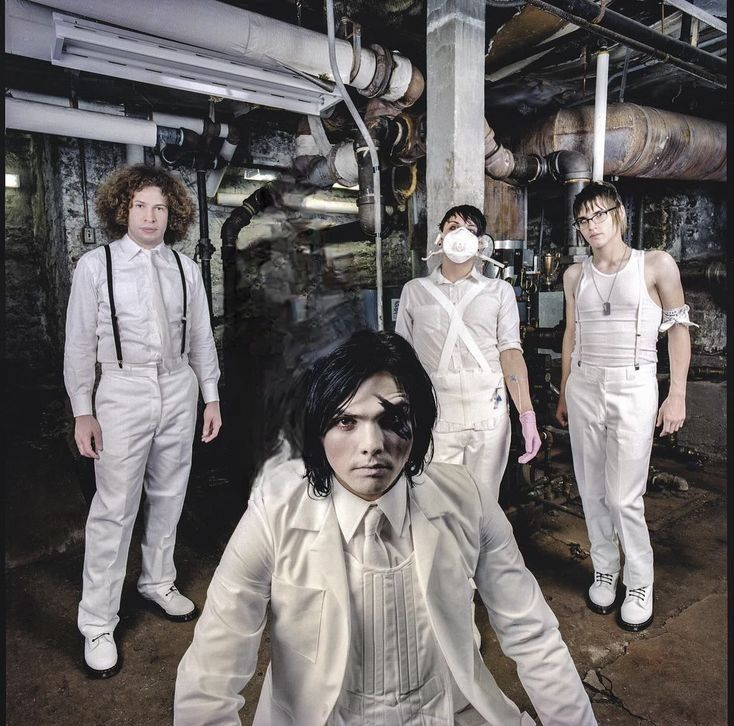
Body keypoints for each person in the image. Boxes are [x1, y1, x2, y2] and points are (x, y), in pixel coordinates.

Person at [174, 330, 596, 726]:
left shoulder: (467, 499)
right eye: (346, 421)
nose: (372, 445)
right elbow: (211, 676)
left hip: (447, 712)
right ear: (318, 430)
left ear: (419, 423)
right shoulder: (275, 512)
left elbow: (533, 634)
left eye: (392, 418)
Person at [64, 164, 222, 678]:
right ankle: (97, 622)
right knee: (114, 507)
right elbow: (78, 344)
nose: (150, 216)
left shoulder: (185, 269)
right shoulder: (96, 265)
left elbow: (201, 337)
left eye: (159, 207)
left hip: (177, 385)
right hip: (121, 387)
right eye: (139, 206)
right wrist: (82, 410)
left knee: (170, 493)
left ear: (172, 214)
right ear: (122, 209)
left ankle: (157, 581)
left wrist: (210, 396)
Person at [555, 181, 696, 632]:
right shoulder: (575, 276)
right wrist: (564, 389)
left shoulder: (655, 264)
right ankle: (605, 569)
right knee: (591, 489)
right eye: (583, 220)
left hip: (634, 386)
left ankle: (639, 582)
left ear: (618, 214)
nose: (591, 225)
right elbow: (571, 334)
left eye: (598, 215)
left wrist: (677, 393)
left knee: (623, 496)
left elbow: (678, 330)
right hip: (584, 385)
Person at [395, 205, 541, 505]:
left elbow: (510, 353)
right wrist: (400, 416)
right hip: (436, 417)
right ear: (440, 237)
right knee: (437, 507)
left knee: (482, 506)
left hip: (488, 416)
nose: (460, 235)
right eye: (452, 227)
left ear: (480, 243)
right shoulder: (415, 291)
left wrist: (526, 414)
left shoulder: (499, 291)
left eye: (470, 230)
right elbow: (401, 360)